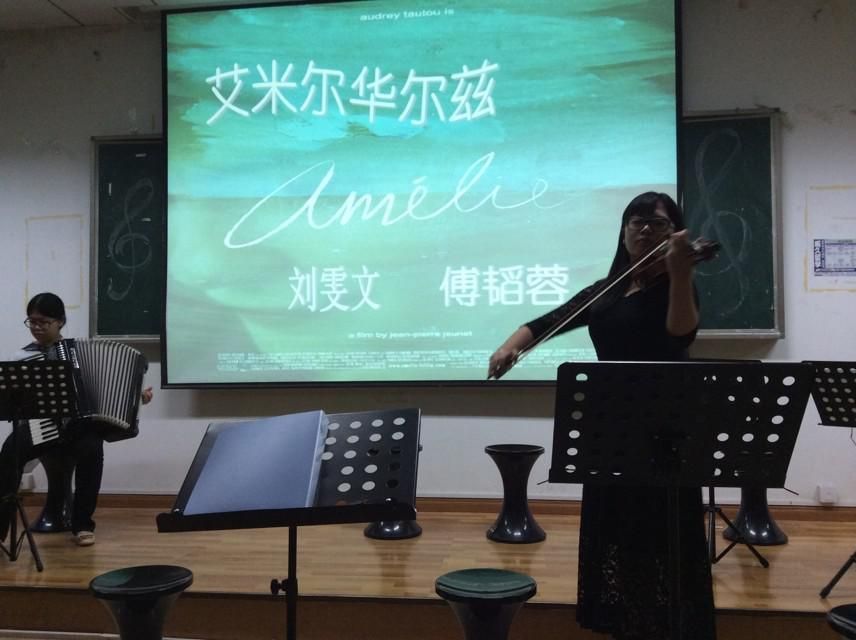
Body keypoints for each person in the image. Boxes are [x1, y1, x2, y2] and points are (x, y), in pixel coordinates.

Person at [488, 192, 716, 640]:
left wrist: (680, 272)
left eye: (657, 223)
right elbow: (550, 320)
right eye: (636, 221)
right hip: (612, 427)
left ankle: (664, 627)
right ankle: (626, 624)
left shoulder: (678, 284)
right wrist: (509, 347)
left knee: (658, 533)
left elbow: (680, 333)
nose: (645, 230)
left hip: (663, 431)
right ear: (623, 231)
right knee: (617, 530)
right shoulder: (609, 288)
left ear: (675, 233)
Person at [0, 292, 153, 547]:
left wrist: (139, 397)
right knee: (9, 451)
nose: (36, 327)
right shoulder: (22, 357)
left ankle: (82, 523)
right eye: (32, 321)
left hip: (78, 427)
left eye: (43, 322)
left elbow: (108, 387)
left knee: (92, 449)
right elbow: (14, 400)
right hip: (40, 425)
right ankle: (1, 526)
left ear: (60, 321)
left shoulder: (79, 353)